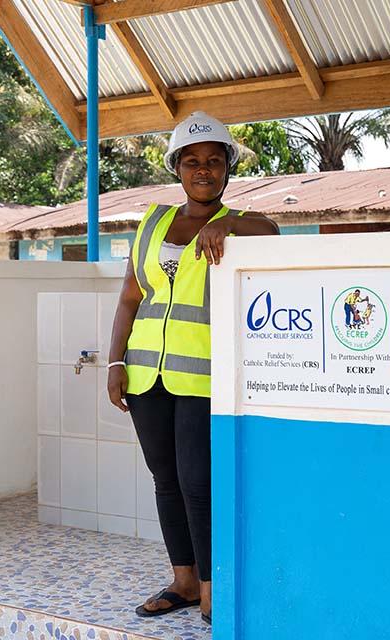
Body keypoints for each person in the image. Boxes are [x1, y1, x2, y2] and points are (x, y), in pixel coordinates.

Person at [105, 112, 279, 625]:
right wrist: (116, 360)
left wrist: (223, 223)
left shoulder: (240, 223)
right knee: (165, 480)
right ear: (177, 168)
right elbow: (129, 296)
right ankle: (182, 581)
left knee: (197, 481)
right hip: (145, 374)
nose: (203, 170)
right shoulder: (154, 222)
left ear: (227, 170)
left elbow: (270, 228)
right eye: (192, 162)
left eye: (214, 162)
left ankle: (210, 587)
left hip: (202, 375)